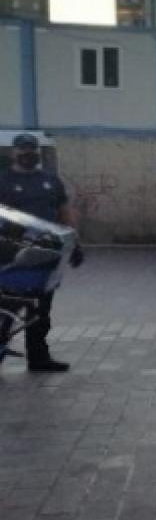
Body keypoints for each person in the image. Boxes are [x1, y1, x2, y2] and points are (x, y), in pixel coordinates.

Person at [0, 133, 83, 372]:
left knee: (40, 310)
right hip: (10, 256)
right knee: (8, 308)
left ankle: (38, 358)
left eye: (32, 149)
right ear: (14, 152)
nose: (28, 154)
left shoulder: (50, 181)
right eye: (23, 150)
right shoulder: (3, 180)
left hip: (45, 256)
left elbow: (64, 211)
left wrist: (74, 243)